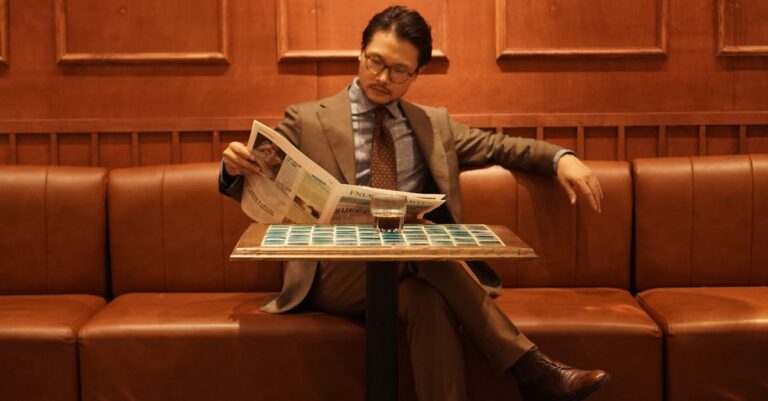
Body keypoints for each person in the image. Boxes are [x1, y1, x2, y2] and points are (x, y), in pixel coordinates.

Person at [220, 6, 608, 401]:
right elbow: (263, 161)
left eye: (399, 70)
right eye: (375, 62)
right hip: (336, 271)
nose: (383, 77)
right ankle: (530, 368)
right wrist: (236, 165)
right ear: (361, 53)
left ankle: (525, 375)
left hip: (410, 272)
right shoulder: (307, 119)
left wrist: (562, 158)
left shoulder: (432, 124)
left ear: (416, 74)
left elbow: (501, 146)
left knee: (429, 300)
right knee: (420, 240)